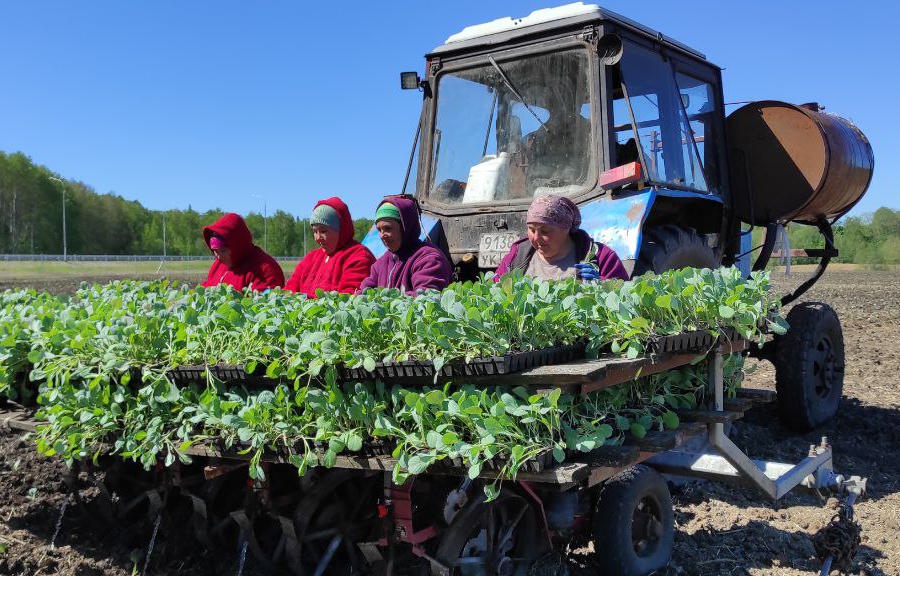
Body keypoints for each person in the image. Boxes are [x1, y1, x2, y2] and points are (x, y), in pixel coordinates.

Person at [494, 194, 628, 282]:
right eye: (531, 229)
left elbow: (626, 295)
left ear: (566, 228)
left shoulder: (602, 256)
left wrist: (603, 284)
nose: (536, 238)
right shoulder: (517, 257)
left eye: (545, 231)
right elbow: (492, 290)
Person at [359, 195, 453, 294]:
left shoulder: (429, 259)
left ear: (405, 228)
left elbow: (426, 298)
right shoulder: (380, 264)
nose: (382, 235)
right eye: (379, 230)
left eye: (388, 228)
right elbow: (364, 293)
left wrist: (384, 300)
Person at [284, 197, 375, 297]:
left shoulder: (359, 256)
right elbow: (289, 290)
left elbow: (348, 299)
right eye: (315, 231)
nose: (318, 238)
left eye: (323, 231)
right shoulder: (311, 258)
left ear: (341, 230)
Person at [201, 212, 285, 291]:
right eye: (215, 251)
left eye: (223, 251)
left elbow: (265, 303)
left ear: (237, 246)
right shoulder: (219, 265)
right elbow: (207, 287)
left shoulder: (266, 270)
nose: (218, 257)